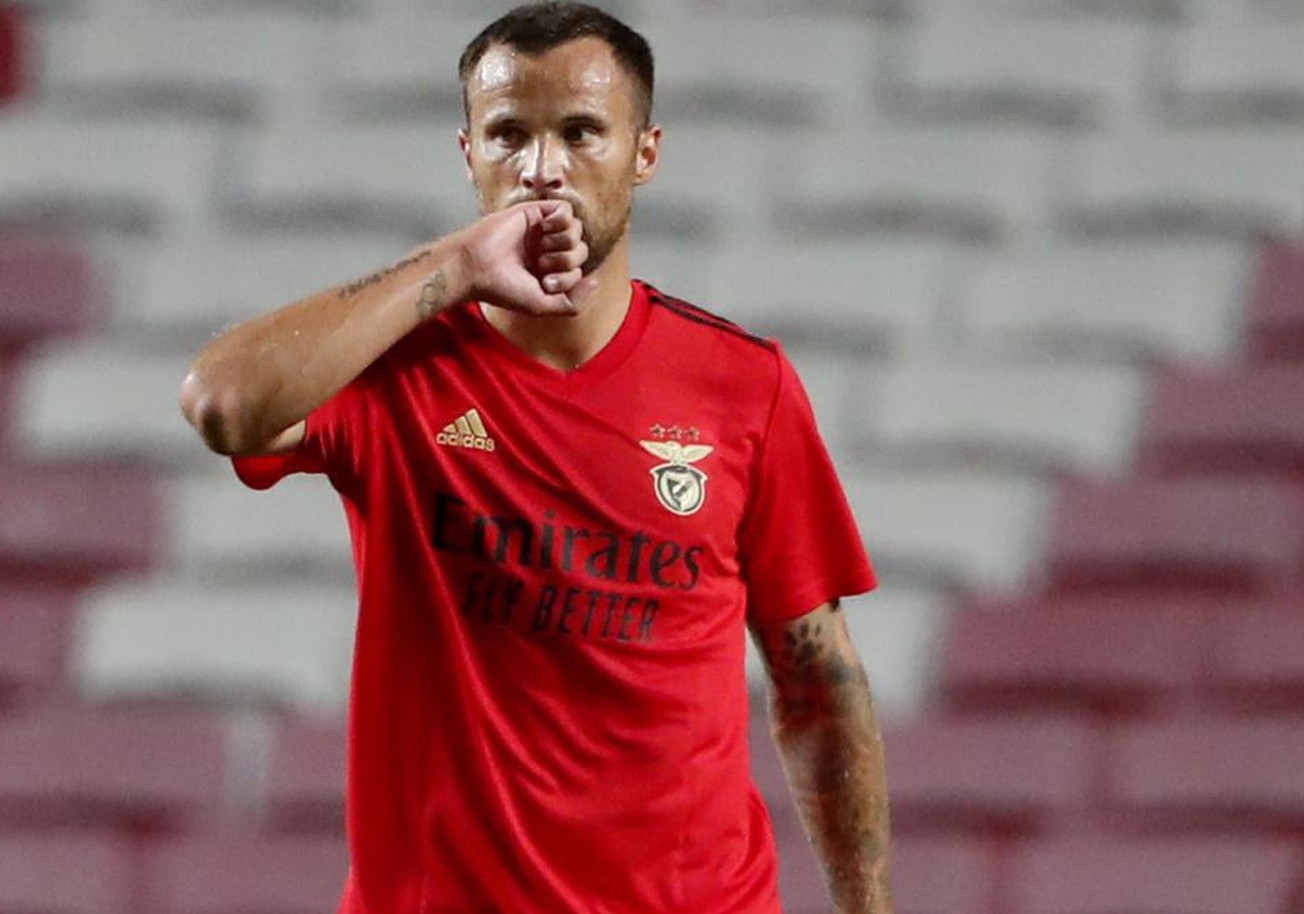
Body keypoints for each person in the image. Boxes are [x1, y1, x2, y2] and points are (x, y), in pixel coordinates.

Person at [179, 3, 892, 912]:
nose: (543, 168)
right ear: (468, 153)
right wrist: (458, 266)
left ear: (646, 153)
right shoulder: (394, 373)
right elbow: (224, 404)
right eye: (509, 134)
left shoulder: (743, 386)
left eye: (581, 131)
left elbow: (820, 682)